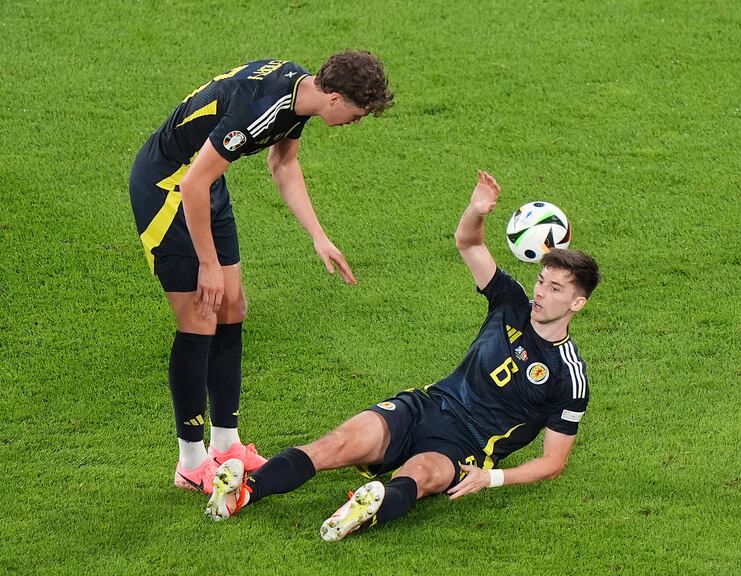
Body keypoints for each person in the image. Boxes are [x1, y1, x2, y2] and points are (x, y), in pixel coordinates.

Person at [204, 171, 601, 540]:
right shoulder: (510, 302)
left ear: (577, 303)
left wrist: (491, 478)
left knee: (421, 475)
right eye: (541, 281)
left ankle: (367, 506)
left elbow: (553, 462)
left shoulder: (569, 376)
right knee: (338, 443)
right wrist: (476, 210)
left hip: (467, 446)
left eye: (555, 289)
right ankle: (243, 493)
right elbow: (469, 242)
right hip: (426, 406)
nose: (541, 294)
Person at [129, 52, 394, 494]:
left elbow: (283, 164)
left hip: (204, 183)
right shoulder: (259, 107)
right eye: (357, 113)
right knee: (200, 315)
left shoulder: (299, 95)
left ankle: (227, 445)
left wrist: (318, 236)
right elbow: (191, 183)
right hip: (168, 186)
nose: (357, 121)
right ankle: (190, 463)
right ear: (333, 98)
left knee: (233, 307)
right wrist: (208, 265)